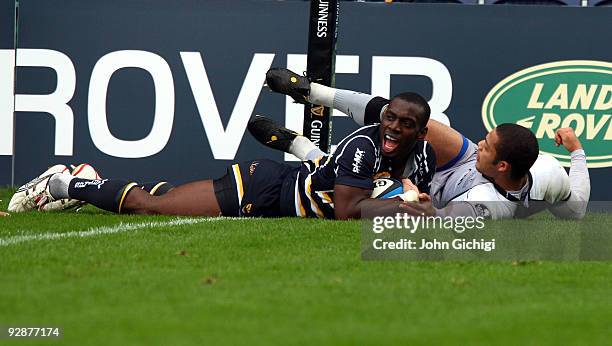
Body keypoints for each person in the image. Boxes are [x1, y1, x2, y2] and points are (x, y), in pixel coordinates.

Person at [8, 91, 436, 220]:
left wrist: (421, 203)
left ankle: (86, 178)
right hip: (264, 188)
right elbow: (348, 211)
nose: (393, 129)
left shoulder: (424, 158)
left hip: (287, 189)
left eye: (404, 124)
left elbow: (415, 195)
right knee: (151, 206)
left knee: (172, 199)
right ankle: (63, 183)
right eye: (389, 119)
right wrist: (402, 207)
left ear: (421, 131)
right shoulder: (364, 145)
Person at [257, 68, 590, 219]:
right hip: (461, 164)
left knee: (367, 184)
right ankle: (312, 91)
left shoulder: (488, 207)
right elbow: (576, 206)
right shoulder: (548, 170)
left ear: (502, 165)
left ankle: (302, 148)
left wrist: (424, 208)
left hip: (427, 186)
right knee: (414, 122)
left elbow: (575, 212)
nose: (479, 142)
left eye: (486, 145)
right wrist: (576, 151)